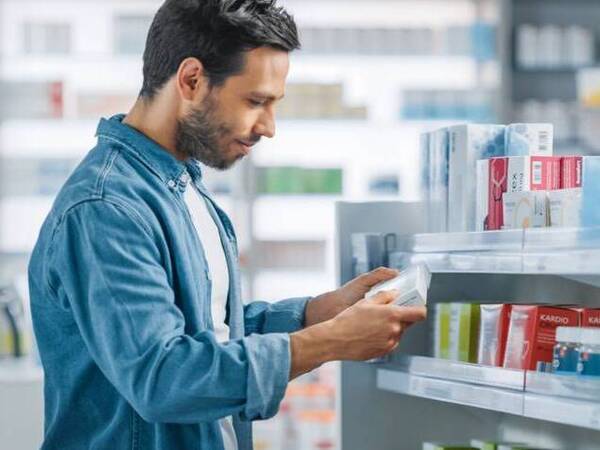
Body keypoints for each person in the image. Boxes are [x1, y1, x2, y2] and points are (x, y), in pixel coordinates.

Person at [27, 1, 427, 449]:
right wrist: (329, 341)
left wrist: (318, 313)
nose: (269, 127)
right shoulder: (105, 209)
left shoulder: (183, 189)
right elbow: (164, 378)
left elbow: (210, 336)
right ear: (192, 80)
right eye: (256, 102)